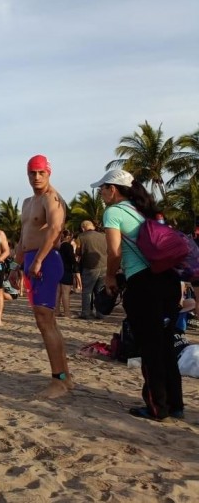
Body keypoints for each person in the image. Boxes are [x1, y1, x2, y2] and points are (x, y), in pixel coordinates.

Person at [91, 168, 183, 422]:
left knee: (150, 347)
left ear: (113, 189)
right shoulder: (145, 208)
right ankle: (175, 404)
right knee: (166, 344)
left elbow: (115, 252)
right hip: (169, 280)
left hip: (144, 284)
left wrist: (110, 277)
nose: (100, 193)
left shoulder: (114, 212)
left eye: (102, 188)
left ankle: (157, 407)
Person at [16, 155, 71, 399]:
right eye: (32, 173)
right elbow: (23, 235)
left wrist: (38, 259)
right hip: (30, 261)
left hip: (46, 260)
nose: (36, 177)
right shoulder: (28, 201)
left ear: (49, 173)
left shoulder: (52, 198)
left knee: (45, 321)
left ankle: (58, 380)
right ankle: (65, 376)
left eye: (41, 173)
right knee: (46, 321)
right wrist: (16, 264)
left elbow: (55, 228)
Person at [75, 220, 107, 319]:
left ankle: (86, 312)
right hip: (104, 265)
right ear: (92, 226)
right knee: (100, 291)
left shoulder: (81, 237)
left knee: (87, 291)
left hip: (90, 266)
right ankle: (100, 313)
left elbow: (78, 252)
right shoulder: (103, 235)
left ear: (83, 228)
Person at [56, 230, 77, 317]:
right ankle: (67, 312)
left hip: (56, 270)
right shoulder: (68, 246)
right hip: (66, 270)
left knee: (57, 293)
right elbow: (71, 258)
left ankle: (56, 311)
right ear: (68, 236)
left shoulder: (57, 246)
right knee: (65, 292)